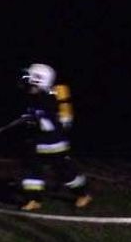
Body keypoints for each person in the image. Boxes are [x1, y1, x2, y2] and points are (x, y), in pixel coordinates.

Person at [18, 62, 92, 211]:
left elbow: (54, 121)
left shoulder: (49, 98)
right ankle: (34, 199)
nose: (26, 81)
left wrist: (36, 118)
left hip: (54, 144)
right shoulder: (35, 97)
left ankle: (83, 194)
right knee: (31, 171)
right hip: (37, 143)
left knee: (65, 172)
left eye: (30, 78)